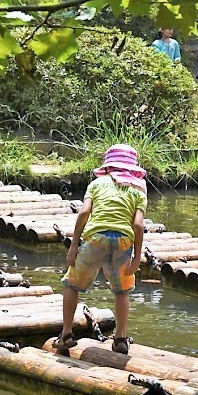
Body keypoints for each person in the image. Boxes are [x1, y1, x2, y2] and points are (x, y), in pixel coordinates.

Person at [55, 144, 147, 355]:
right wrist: (136, 257)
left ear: (107, 166)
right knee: (122, 291)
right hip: (123, 242)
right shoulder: (138, 190)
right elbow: (138, 225)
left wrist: (74, 244)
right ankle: (120, 338)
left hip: (96, 240)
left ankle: (66, 334)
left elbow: (84, 212)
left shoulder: (97, 184)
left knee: (71, 284)